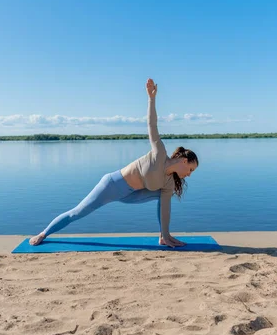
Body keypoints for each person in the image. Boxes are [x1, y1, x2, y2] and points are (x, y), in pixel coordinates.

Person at [29, 78, 198, 248]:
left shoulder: (168, 183)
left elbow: (165, 210)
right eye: (190, 169)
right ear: (184, 161)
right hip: (112, 186)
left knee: (164, 197)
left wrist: (166, 234)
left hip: (131, 195)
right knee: (78, 212)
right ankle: (44, 233)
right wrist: (151, 99)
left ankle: (164, 237)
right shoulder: (159, 154)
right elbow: (152, 125)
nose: (189, 174)